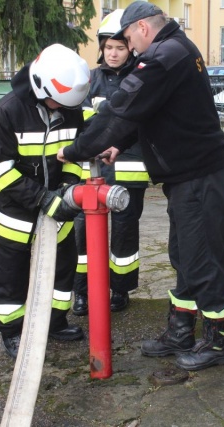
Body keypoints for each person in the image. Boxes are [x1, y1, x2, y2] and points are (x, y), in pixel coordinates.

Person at [57, 1, 224, 372]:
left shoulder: (161, 58)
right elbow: (152, 112)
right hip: (188, 176)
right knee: (185, 256)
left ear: (142, 28)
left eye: (127, 38)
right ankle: (181, 331)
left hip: (199, 176)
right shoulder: (176, 49)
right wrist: (119, 144)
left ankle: (219, 343)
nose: (128, 46)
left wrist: (75, 150)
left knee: (204, 260)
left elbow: (122, 108)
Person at [0, 44, 89, 359]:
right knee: (9, 276)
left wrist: (67, 188)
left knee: (62, 269)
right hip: (13, 216)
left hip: (58, 209)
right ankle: (12, 331)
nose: (63, 109)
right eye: (59, 102)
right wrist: (43, 198)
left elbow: (74, 156)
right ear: (41, 87)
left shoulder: (70, 107)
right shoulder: (7, 112)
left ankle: (54, 321)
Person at [72, 9, 149, 316]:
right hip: (91, 169)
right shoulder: (89, 81)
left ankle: (120, 289)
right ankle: (82, 291)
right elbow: (80, 122)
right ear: (101, 48)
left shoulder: (141, 79)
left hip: (129, 169)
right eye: (108, 47)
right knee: (82, 231)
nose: (113, 53)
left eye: (119, 47)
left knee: (124, 230)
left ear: (130, 47)